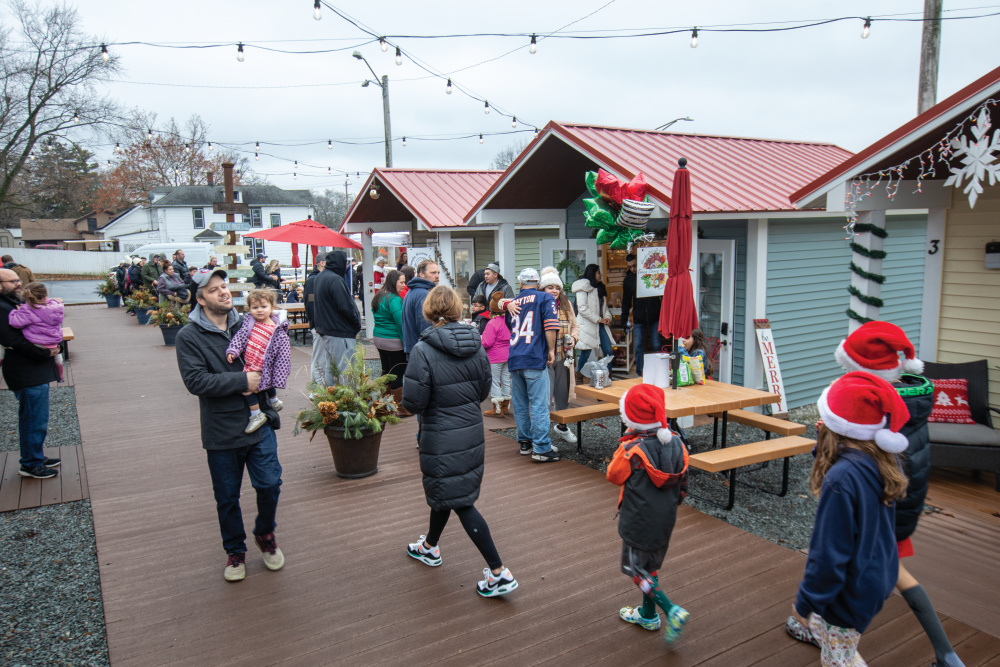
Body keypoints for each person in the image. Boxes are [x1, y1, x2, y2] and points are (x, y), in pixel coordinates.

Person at [829, 321, 965, 667]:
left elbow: (857, 458)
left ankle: (838, 645)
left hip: (878, 509)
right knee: (891, 572)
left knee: (847, 570)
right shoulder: (913, 399)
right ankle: (946, 653)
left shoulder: (876, 408)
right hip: (906, 501)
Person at [402, 285, 519, 598]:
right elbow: (483, 391)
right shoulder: (476, 345)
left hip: (441, 435)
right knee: (450, 491)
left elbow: (413, 401)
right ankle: (430, 546)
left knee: (460, 500)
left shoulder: (423, 349)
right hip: (470, 430)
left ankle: (499, 572)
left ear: (429, 310)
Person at [790, 371, 909, 667]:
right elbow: (842, 456)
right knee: (839, 641)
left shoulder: (840, 481)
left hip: (848, 592)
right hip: (876, 575)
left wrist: (804, 603)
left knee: (838, 660)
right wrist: (825, 440)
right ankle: (822, 631)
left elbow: (828, 557)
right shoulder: (883, 459)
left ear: (836, 425)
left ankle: (826, 635)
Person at [176, 267, 285, 582]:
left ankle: (265, 533)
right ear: (200, 299)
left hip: (260, 422)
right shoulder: (189, 336)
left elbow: (273, 353)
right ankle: (235, 551)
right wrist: (243, 381)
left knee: (270, 484)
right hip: (221, 430)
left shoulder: (250, 321)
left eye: (224, 286)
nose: (224, 292)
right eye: (214, 290)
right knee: (227, 497)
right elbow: (196, 381)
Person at [607, 383, 690, 644]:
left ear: (631, 419)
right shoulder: (677, 443)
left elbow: (613, 475)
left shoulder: (632, 450)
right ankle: (647, 615)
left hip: (638, 523)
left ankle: (671, 610)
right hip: (665, 519)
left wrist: (625, 444)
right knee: (650, 567)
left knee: (637, 571)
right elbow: (684, 483)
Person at [0, 268, 60, 479]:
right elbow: (13, 340)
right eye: (12, 281)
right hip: (25, 370)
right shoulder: (2, 307)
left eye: (18, 280)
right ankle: (30, 464)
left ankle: (35, 456)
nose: (19, 283)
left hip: (32, 369)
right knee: (34, 419)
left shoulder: (11, 303)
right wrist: (45, 352)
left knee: (35, 418)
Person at [506, 268, 561, 461]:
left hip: (515, 356)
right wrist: (551, 350)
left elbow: (510, 326)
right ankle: (542, 448)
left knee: (520, 404)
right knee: (539, 405)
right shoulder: (545, 298)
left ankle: (525, 442)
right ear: (538, 284)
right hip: (534, 356)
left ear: (520, 284)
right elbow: (550, 326)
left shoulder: (513, 303)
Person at [225, 289, 291, 434]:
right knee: (264, 384)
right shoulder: (249, 323)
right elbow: (240, 338)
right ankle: (274, 401)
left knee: (247, 389)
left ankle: (256, 414)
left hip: (264, 365)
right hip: (251, 362)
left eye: (264, 306)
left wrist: (280, 372)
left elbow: (283, 354)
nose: (259, 310)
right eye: (255, 307)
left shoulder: (276, 329)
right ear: (249, 309)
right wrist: (233, 350)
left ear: (272, 308)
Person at [539, 267, 579, 444]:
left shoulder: (566, 304)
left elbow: (575, 326)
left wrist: (574, 339)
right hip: (545, 358)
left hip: (564, 356)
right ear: (543, 288)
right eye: (550, 287)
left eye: (557, 287)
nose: (554, 290)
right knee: (545, 398)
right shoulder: (538, 303)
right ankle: (542, 436)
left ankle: (562, 427)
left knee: (563, 395)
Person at [311, 250, 360, 384]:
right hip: (340, 331)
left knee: (331, 367)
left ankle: (330, 394)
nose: (346, 266)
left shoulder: (320, 277)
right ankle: (344, 396)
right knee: (345, 369)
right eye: (345, 263)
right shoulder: (335, 279)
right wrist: (356, 324)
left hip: (326, 330)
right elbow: (346, 307)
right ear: (340, 263)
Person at [372, 269, 411, 417]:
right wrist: (407, 343)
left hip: (379, 339)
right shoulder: (394, 299)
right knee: (397, 374)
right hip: (393, 341)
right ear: (393, 282)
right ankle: (399, 407)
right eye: (401, 282)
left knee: (386, 372)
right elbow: (401, 323)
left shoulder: (379, 296)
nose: (403, 285)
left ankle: (385, 405)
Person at [8, 282, 65, 383]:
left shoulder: (28, 310)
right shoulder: (55, 308)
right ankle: (60, 375)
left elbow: (15, 323)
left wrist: (16, 312)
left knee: (3, 346)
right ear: (45, 296)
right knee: (58, 356)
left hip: (39, 343)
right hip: (54, 342)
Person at [621, 252, 663, 376]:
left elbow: (662, 293)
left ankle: (659, 371)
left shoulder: (651, 274)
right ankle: (640, 373)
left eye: (634, 265)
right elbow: (626, 301)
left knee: (656, 344)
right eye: (630, 267)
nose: (633, 269)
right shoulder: (628, 280)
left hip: (655, 314)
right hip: (639, 317)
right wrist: (624, 319)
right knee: (638, 346)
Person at [572, 264, 614, 379]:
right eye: (598, 272)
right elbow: (582, 308)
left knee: (608, 350)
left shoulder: (599, 288)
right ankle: (579, 375)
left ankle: (607, 375)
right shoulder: (582, 288)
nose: (601, 275)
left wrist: (607, 317)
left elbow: (604, 308)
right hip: (588, 325)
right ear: (592, 273)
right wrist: (600, 319)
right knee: (586, 352)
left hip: (600, 325)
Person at [481, 292, 511, 417]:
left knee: (495, 381)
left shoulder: (493, 323)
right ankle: (505, 406)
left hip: (495, 356)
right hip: (508, 355)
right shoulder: (510, 321)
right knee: (506, 381)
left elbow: (486, 342)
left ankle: (497, 409)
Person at [401, 259, 440, 355]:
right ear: (421, 274)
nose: (437, 276)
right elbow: (425, 327)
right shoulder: (423, 294)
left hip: (414, 347)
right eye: (433, 273)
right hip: (421, 350)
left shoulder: (413, 290)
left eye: (438, 273)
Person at [303, 252, 326, 326]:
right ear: (322, 263)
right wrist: (314, 324)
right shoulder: (313, 280)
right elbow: (311, 302)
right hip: (319, 324)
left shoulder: (322, 277)